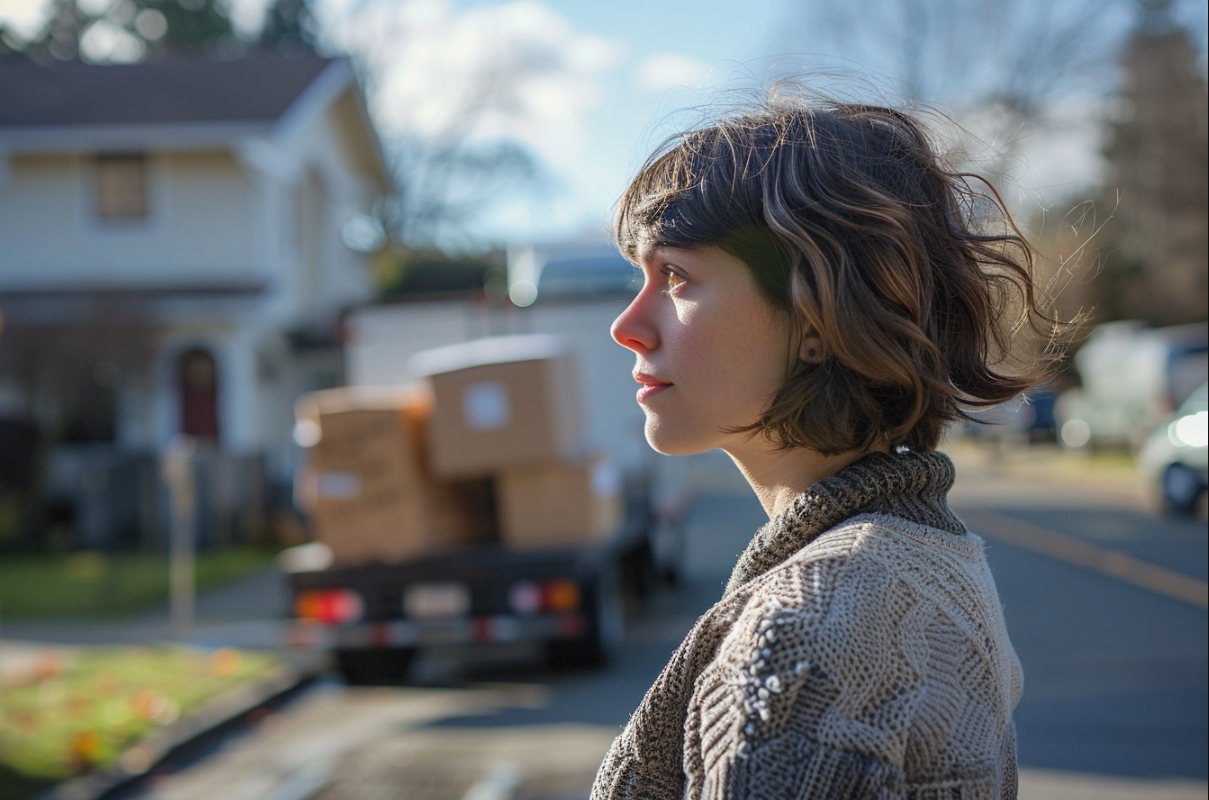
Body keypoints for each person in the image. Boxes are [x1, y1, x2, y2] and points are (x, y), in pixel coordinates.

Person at [592, 89, 1055, 799]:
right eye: (639, 277)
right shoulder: (926, 553)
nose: (628, 325)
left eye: (676, 275)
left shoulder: (804, 636)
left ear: (816, 314)